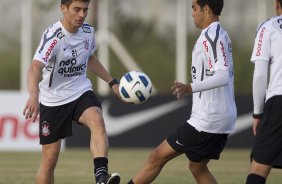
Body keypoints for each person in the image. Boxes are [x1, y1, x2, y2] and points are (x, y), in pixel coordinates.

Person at [127, 0, 236, 183]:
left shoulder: (212, 37)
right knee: (197, 166)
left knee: (156, 157)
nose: (192, 13)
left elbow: (223, 76)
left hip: (207, 120)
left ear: (206, 9)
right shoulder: (217, 34)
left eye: (194, 8)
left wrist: (189, 87)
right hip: (220, 117)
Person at [22, 0, 121, 184]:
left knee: (97, 119)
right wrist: (34, 95)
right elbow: (35, 68)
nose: (82, 15)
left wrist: (112, 81)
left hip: (80, 91)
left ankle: (101, 177)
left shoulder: (88, 32)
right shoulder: (54, 36)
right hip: (53, 100)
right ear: (63, 8)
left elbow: (90, 58)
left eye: (85, 10)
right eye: (77, 9)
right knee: (49, 161)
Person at [246, 1, 282, 183]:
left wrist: (258, 113)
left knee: (258, 167)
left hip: (278, 102)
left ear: (277, 3)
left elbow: (260, 74)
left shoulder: (268, 27)